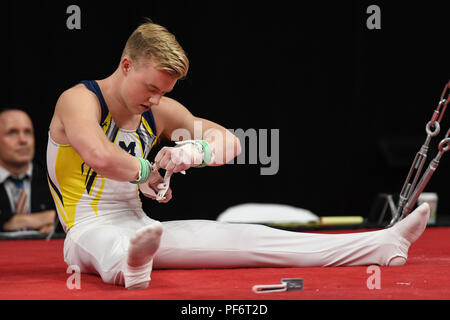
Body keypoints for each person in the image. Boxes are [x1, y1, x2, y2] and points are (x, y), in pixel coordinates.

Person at [47, 21, 431, 290]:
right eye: (150, 88)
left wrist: (194, 151)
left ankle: (381, 244)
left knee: (250, 238)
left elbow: (232, 143)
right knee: (104, 243)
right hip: (84, 231)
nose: (155, 100)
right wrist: (148, 170)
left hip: (143, 228)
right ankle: (129, 265)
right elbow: (98, 154)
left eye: (163, 92)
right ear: (126, 65)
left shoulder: (158, 110)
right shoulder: (79, 100)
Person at [0, 108, 56, 234]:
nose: (23, 140)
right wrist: (42, 218)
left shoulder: (53, 179)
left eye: (27, 132)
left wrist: (14, 222)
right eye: (12, 133)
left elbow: (71, 218)